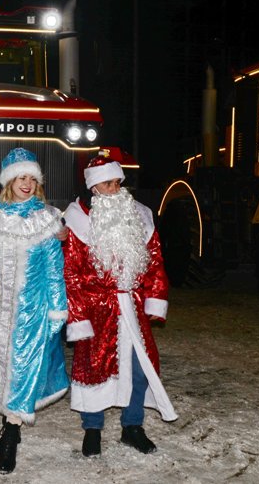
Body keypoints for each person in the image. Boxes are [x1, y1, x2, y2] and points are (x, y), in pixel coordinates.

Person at [62, 154, 177, 459]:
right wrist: (78, 316)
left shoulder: (140, 217)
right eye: (106, 184)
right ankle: (92, 428)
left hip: (133, 308)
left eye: (117, 182)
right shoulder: (77, 221)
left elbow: (154, 262)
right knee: (93, 369)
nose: (115, 189)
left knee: (139, 369)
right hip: (96, 308)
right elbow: (71, 273)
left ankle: (133, 426)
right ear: (93, 188)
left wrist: (155, 297)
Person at [0, 147, 69, 474]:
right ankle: (8, 423)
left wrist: (57, 311)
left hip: (32, 312)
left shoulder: (47, 219)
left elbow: (54, 270)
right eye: (21, 177)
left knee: (23, 370)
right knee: (0, 370)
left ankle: (11, 435)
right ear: (9, 180)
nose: (27, 183)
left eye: (32, 178)